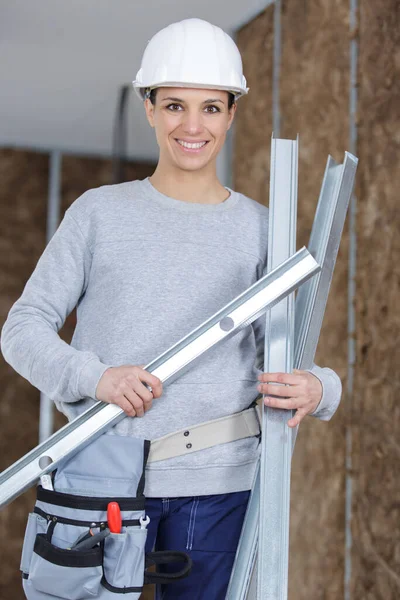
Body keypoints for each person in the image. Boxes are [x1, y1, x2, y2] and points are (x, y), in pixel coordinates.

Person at [1, 18, 342, 600]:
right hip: (102, 477)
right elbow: (22, 328)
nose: (192, 125)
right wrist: (96, 376)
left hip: (217, 488)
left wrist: (321, 388)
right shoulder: (99, 214)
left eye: (211, 108)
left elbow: (283, 358)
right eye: (176, 105)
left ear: (231, 113)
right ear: (150, 107)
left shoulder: (266, 229)